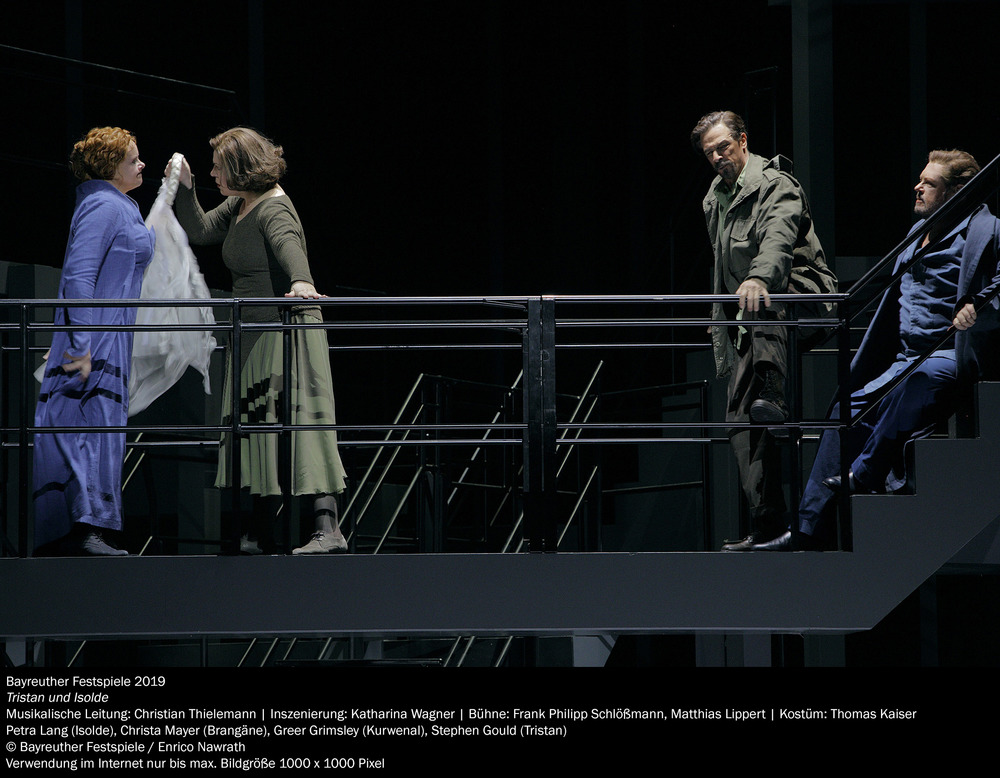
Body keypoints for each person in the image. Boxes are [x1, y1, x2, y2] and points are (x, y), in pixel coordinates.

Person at [750, 149, 1000, 551]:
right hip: (905, 358)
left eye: (929, 183)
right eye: (920, 179)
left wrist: (979, 307)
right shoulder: (915, 236)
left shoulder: (987, 230)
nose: (918, 187)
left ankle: (865, 473)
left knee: (920, 378)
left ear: (956, 191)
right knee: (844, 412)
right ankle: (808, 528)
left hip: (952, 352)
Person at [171, 127, 349, 554]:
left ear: (240, 168)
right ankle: (260, 530)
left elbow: (289, 244)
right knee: (259, 424)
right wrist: (186, 187)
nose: (213, 173)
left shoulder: (273, 207)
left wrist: (302, 281)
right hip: (253, 331)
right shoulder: (241, 203)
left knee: (302, 424)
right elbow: (200, 230)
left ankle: (328, 530)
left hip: (283, 331)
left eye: (218, 167)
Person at [690, 110, 837, 551]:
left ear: (743, 141)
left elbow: (778, 239)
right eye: (709, 152)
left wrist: (759, 278)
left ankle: (773, 393)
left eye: (723, 146)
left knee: (767, 297)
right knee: (739, 418)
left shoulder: (777, 183)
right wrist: (721, 326)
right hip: (751, 318)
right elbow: (721, 269)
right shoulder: (714, 198)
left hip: (803, 296)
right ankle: (769, 522)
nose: (718, 157)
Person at [33, 127, 154, 556]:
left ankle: (92, 528)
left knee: (101, 430)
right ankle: (83, 529)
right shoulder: (103, 206)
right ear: (110, 168)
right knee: (88, 428)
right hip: (96, 339)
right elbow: (78, 277)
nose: (141, 164)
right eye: (133, 160)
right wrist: (79, 345)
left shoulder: (117, 205)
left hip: (110, 336)